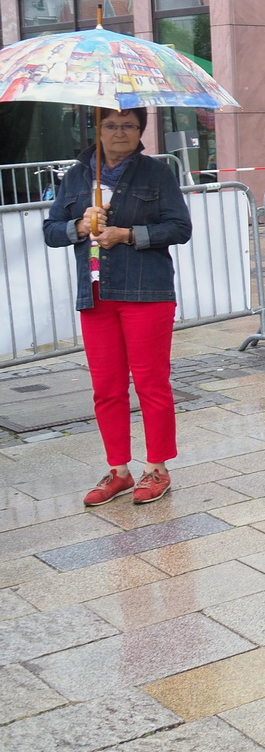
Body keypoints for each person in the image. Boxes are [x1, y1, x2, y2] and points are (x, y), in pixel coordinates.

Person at [44, 108, 191, 507]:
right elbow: (51, 231)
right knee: (106, 387)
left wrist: (127, 234)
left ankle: (157, 468)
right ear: (98, 130)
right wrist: (79, 225)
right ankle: (119, 470)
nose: (119, 132)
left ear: (141, 131)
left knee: (150, 384)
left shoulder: (157, 174)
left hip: (147, 293)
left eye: (129, 125)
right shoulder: (78, 176)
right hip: (95, 294)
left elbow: (180, 228)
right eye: (111, 125)